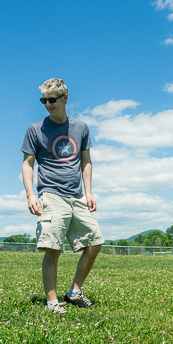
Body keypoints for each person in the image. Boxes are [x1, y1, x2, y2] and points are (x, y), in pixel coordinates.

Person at [21, 78, 105, 314]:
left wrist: (88, 192)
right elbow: (27, 164)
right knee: (53, 248)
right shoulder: (35, 130)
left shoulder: (81, 128)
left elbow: (86, 161)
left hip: (76, 195)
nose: (48, 104)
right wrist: (30, 195)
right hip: (51, 194)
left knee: (95, 242)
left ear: (65, 98)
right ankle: (51, 302)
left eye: (52, 100)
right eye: (44, 100)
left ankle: (75, 292)